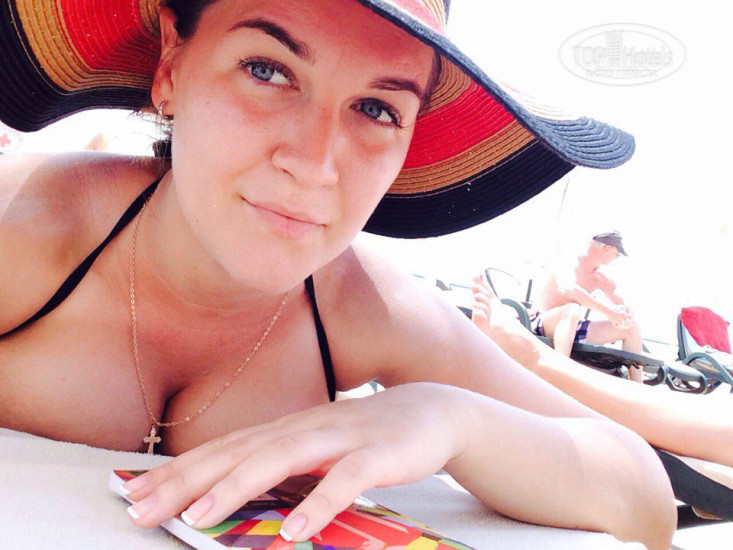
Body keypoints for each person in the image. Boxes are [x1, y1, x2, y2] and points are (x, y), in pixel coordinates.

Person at [0, 1, 675, 548]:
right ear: (172, 65)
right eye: (267, 70)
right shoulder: (28, 226)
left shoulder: (363, 304)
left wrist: (449, 418)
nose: (316, 164)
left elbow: (643, 498)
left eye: (377, 109)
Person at [471, 273, 733, 466]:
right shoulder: (572, 267)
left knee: (626, 327)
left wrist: (614, 306)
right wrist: (614, 310)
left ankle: (544, 368)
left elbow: (612, 303)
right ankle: (549, 367)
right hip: (554, 321)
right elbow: (569, 290)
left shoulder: (596, 276)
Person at [532, 231, 645, 382]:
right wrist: (610, 313)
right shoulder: (568, 261)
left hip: (573, 328)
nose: (616, 258)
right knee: (572, 309)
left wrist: (624, 313)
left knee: (632, 328)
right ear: (607, 249)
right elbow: (569, 289)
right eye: (617, 254)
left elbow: (622, 303)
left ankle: (638, 387)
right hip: (543, 323)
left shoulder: (600, 278)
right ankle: (560, 373)